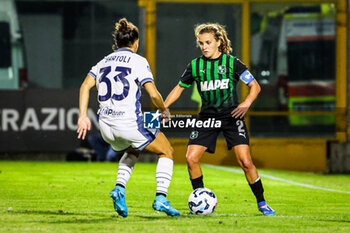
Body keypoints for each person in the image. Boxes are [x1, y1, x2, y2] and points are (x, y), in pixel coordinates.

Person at [164, 23, 275, 216]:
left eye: (208, 42)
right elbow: (179, 88)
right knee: (191, 159)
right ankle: (200, 199)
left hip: (232, 116)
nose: (204, 46)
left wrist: (246, 103)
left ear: (218, 42)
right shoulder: (195, 66)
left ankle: (262, 203)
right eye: (201, 43)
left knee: (246, 162)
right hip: (207, 117)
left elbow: (255, 86)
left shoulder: (232, 63)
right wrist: (164, 106)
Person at [77, 18, 180, 217]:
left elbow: (84, 87)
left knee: (135, 148)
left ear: (116, 43)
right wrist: (164, 109)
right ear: (136, 42)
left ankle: (119, 189)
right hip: (128, 123)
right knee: (166, 151)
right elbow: (153, 94)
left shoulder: (103, 61)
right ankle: (161, 198)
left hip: (105, 127)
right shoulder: (138, 61)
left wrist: (83, 116)